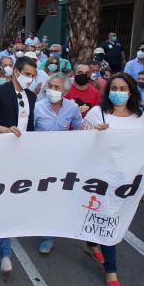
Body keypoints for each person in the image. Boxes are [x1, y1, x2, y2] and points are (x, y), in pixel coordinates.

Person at [80, 73, 144, 286]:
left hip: (127, 179)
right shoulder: (97, 113)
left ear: (131, 92)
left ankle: (91, 243)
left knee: (108, 216)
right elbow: (80, 142)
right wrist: (93, 134)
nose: (118, 93)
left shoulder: (139, 117)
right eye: (114, 89)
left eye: (123, 88)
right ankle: (111, 270)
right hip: (101, 176)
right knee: (108, 219)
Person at [0, 56, 38, 276]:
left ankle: (0, 229)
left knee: (10, 198)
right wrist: (5, 130)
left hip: (22, 156)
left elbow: (32, 126)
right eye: (27, 74)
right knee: (2, 198)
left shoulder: (32, 97)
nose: (30, 79)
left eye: (33, 76)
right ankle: (5, 251)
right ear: (15, 72)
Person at [33, 75, 84, 254]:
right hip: (39, 160)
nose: (53, 90)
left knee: (54, 198)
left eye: (57, 87)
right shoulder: (37, 107)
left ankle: (48, 236)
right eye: (51, 86)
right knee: (38, 196)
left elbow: (79, 129)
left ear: (65, 91)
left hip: (62, 162)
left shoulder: (72, 108)